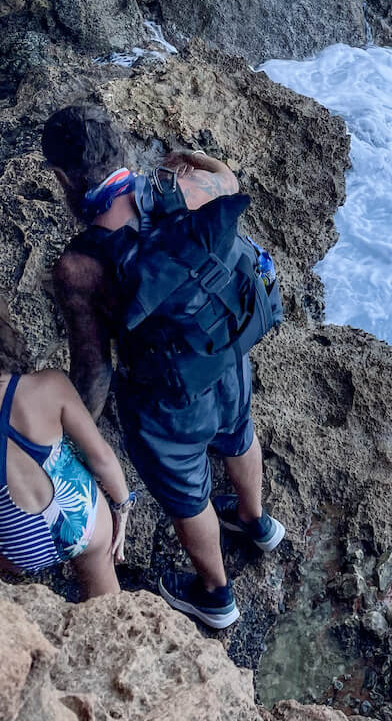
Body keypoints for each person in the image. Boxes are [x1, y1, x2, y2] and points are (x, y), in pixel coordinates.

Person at [41, 103, 285, 629]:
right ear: (121, 147)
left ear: (62, 178)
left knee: (187, 495)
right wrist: (188, 157)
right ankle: (256, 522)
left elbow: (94, 373)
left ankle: (215, 596)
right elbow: (228, 176)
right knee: (239, 432)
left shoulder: (78, 266)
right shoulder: (192, 186)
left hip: (167, 398)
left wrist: (75, 445)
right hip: (225, 352)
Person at [0, 296, 133, 597]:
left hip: (20, 546)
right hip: (83, 519)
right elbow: (102, 458)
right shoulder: (47, 386)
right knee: (107, 605)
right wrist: (123, 508)